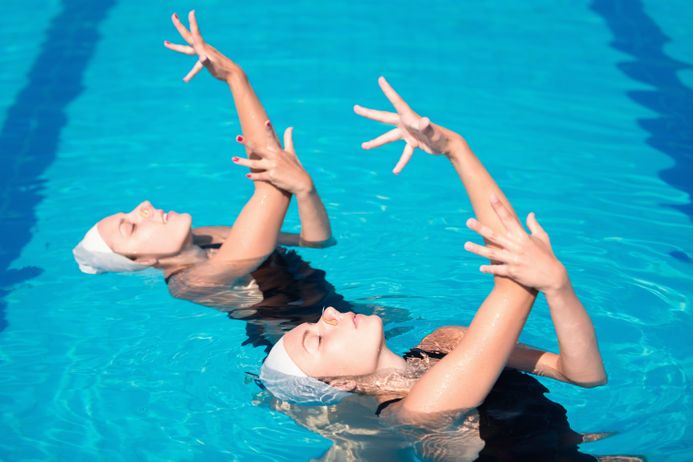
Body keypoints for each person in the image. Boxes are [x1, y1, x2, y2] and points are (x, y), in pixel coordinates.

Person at [258, 77, 618, 461]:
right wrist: (455, 150)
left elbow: (584, 374)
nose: (327, 314)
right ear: (340, 383)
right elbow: (513, 282)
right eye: (317, 339)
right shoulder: (414, 413)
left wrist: (560, 290)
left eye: (314, 323)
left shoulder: (444, 342)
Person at [71, 11, 351, 349]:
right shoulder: (194, 283)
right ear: (143, 261)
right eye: (131, 227)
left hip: (338, 314)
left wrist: (306, 189)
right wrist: (236, 78)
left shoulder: (206, 237)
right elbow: (271, 182)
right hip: (313, 349)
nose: (142, 207)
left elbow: (316, 242)